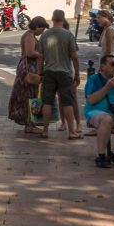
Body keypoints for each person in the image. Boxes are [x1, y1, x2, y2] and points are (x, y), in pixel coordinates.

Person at [37, 10, 82, 139]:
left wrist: (40, 73)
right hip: (65, 72)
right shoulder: (68, 35)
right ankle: (72, 132)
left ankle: (45, 130)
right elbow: (74, 57)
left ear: (52, 19)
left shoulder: (45, 35)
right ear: (63, 20)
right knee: (67, 102)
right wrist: (77, 74)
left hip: (49, 72)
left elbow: (40, 57)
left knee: (47, 102)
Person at [9, 16, 47, 137]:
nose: (43, 32)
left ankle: (30, 123)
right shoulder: (29, 36)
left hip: (29, 68)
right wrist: (41, 55)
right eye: (42, 29)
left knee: (30, 95)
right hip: (28, 68)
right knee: (29, 96)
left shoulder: (30, 35)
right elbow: (29, 52)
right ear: (37, 27)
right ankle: (29, 125)